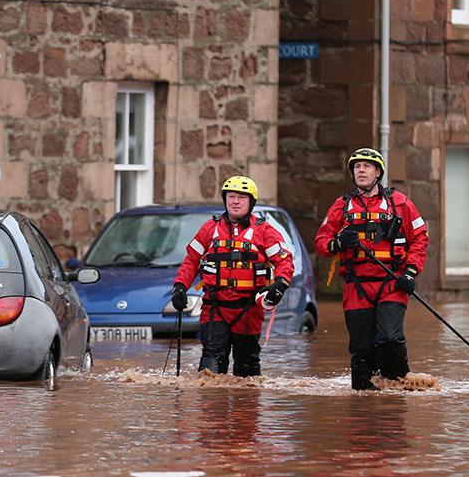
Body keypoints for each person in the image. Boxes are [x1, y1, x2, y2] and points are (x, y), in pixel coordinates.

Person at [314, 147, 429, 390]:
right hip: (357, 285)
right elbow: (322, 243)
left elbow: (420, 238)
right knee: (361, 348)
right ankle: (364, 400)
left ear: (378, 172)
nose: (361, 170)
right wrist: (338, 243)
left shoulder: (400, 204)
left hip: (391, 282)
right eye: (357, 167)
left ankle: (398, 385)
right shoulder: (341, 206)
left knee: (389, 338)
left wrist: (410, 272)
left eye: (367, 166)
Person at [170, 176, 295, 376]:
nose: (235, 201)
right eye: (231, 197)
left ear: (251, 202)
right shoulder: (210, 229)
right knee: (210, 366)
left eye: (241, 198)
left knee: (246, 369)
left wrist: (279, 285)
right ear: (225, 199)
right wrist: (179, 286)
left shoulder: (264, 231)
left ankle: (244, 405)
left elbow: (284, 262)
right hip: (214, 307)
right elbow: (191, 261)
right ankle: (212, 405)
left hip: (248, 308)